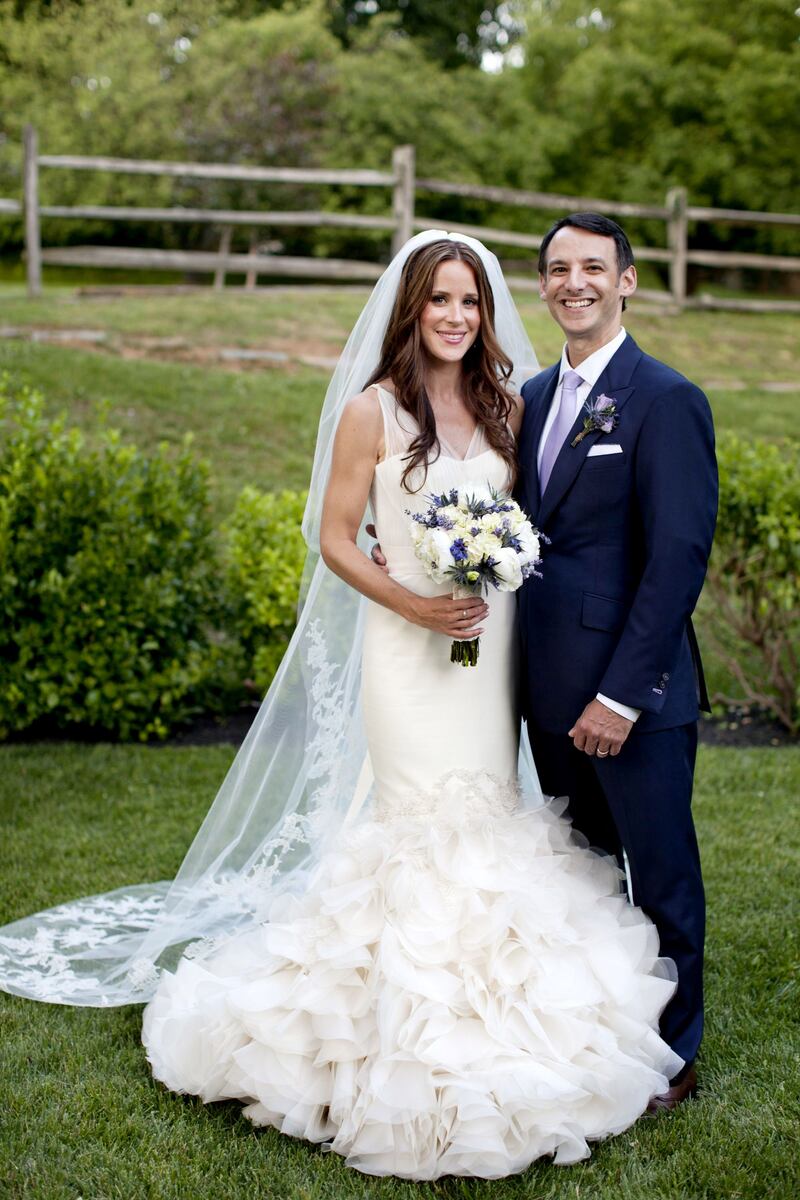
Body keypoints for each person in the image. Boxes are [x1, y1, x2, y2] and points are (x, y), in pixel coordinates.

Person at [0, 231, 680, 1179]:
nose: (456, 317)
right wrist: (416, 600)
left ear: (486, 315)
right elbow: (334, 538)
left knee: (488, 811)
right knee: (416, 819)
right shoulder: (374, 411)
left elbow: (532, 523)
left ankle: (494, 1010)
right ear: (411, 309)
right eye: (439, 300)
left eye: (471, 302)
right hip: (406, 651)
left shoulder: (505, 407)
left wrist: (493, 572)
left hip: (488, 654)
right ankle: (390, 1030)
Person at [517, 213, 718, 1112]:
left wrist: (622, 695)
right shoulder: (525, 397)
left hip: (632, 694)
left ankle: (674, 1054)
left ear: (627, 281)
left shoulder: (665, 398)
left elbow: (678, 556)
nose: (574, 283)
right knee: (585, 870)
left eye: (593, 267)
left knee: (661, 872)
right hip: (544, 688)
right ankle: (599, 1024)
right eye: (558, 269)